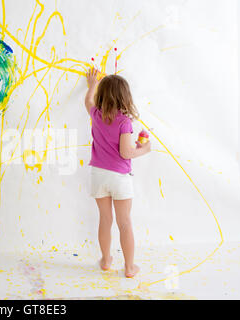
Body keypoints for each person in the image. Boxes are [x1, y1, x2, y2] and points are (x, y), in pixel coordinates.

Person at [84, 68, 151, 278]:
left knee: (105, 219)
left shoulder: (96, 114)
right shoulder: (124, 122)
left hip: (98, 175)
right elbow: (126, 152)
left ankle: (105, 260)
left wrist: (92, 85)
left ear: (103, 95)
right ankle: (129, 267)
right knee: (124, 223)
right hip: (119, 178)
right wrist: (145, 148)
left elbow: (87, 101)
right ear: (125, 97)